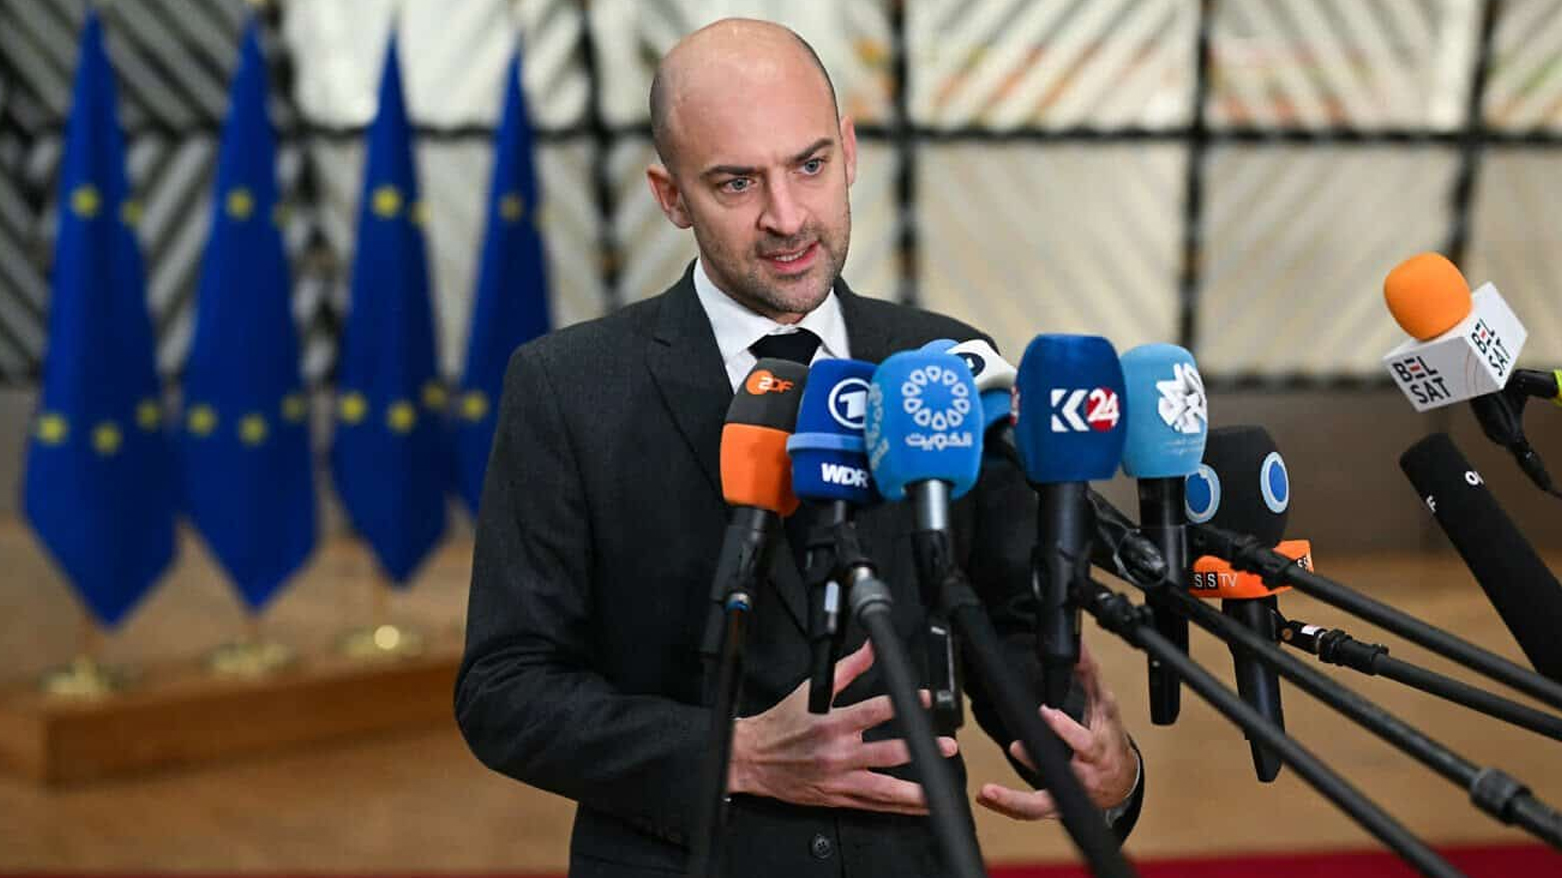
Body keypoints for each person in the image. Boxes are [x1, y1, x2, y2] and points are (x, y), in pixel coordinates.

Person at [456, 18, 1143, 878]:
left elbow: (1001, 621)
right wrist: (733, 754)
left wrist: (1100, 769)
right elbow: (504, 691)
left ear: (849, 151)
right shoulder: (567, 387)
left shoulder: (946, 362)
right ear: (671, 197)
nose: (787, 218)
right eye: (736, 183)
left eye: (809, 166)